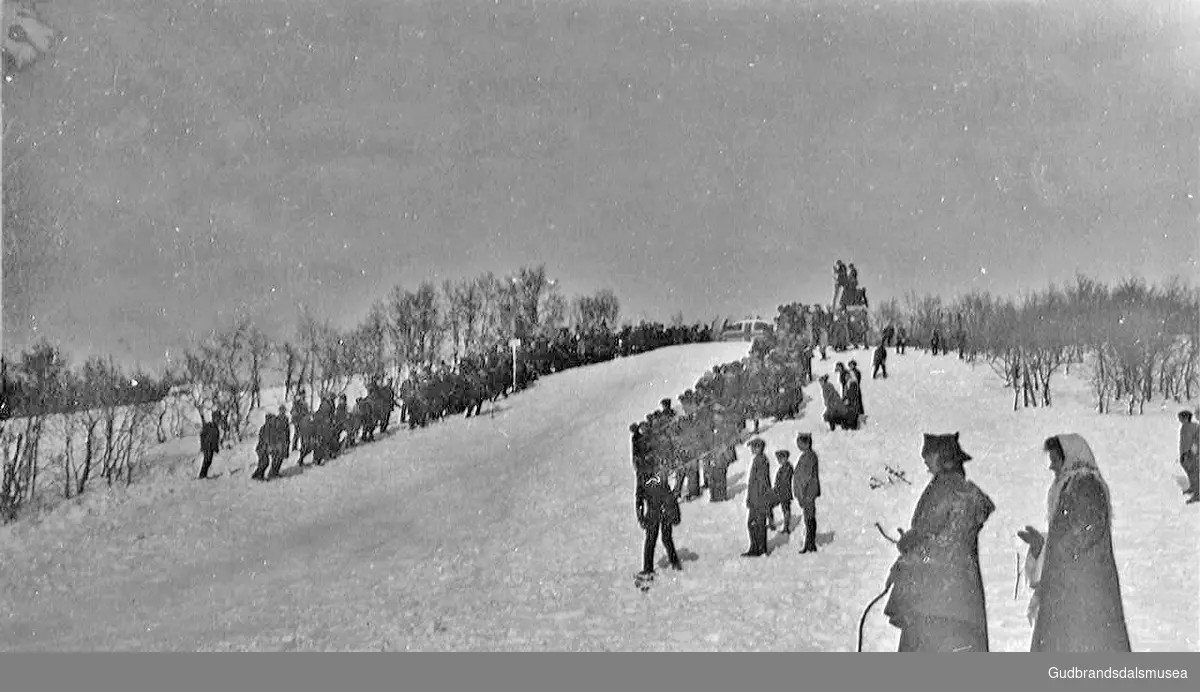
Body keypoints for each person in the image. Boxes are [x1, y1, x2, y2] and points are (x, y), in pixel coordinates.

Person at [1018, 434, 1132, 651]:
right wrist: (1041, 545)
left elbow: (1081, 536)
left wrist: (1049, 549)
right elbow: (1071, 536)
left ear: (1069, 457)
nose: (1051, 466)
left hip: (1081, 592)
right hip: (1074, 590)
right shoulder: (1072, 485)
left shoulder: (1084, 484)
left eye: (1055, 459)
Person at [884, 433, 994, 652]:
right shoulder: (968, 491)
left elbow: (926, 534)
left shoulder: (941, 489)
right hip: (965, 599)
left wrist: (906, 546)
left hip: (932, 598)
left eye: (928, 456)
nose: (924, 460)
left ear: (941, 458)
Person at [637, 462, 683, 577]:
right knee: (658, 539)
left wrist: (640, 514)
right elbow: (639, 496)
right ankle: (669, 563)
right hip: (659, 508)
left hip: (661, 508)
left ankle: (668, 563)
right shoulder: (646, 473)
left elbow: (640, 496)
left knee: (658, 539)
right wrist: (640, 515)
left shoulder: (656, 470)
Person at [743, 438, 772, 557]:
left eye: (753, 447)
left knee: (756, 524)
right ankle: (756, 547)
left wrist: (760, 500)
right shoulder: (758, 459)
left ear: (758, 448)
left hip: (759, 500)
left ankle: (759, 548)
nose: (751, 449)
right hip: (755, 498)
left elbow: (762, 482)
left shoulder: (761, 461)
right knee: (754, 524)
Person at [793, 433, 822, 553]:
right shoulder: (806, 456)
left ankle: (810, 544)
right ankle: (808, 544)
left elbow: (805, 476)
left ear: (806, 443)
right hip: (806, 492)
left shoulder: (809, 456)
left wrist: (801, 491)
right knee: (807, 517)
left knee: (809, 517)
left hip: (808, 492)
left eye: (799, 442)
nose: (797, 445)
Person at [770, 449, 794, 533]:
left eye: (780, 458)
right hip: (780, 492)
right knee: (769, 506)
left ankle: (786, 528)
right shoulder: (783, 468)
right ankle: (772, 523)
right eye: (778, 459)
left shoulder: (788, 468)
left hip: (784, 492)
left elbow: (784, 481)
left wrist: (777, 489)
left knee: (786, 509)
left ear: (786, 458)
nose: (779, 461)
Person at [1178, 410, 1199, 503]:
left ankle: (1198, 494)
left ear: (1186, 417)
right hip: (1184, 454)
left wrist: (1192, 452)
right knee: (1190, 473)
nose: (1179, 419)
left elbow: (1197, 440)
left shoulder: (1194, 427)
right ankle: (1193, 487)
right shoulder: (1183, 427)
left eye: (1181, 417)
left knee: (1194, 473)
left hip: (1192, 454)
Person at [198, 412, 221, 480]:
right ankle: (202, 475)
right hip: (207, 447)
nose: (217, 419)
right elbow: (202, 436)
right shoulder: (208, 426)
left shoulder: (216, 428)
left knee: (209, 461)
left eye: (218, 418)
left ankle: (203, 475)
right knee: (206, 461)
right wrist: (203, 446)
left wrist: (216, 448)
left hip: (211, 447)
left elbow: (216, 439)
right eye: (216, 418)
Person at [251, 414, 273, 481]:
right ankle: (258, 475)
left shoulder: (267, 427)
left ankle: (257, 475)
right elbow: (266, 439)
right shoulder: (266, 428)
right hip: (262, 448)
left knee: (264, 462)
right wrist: (268, 446)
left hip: (262, 448)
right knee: (265, 462)